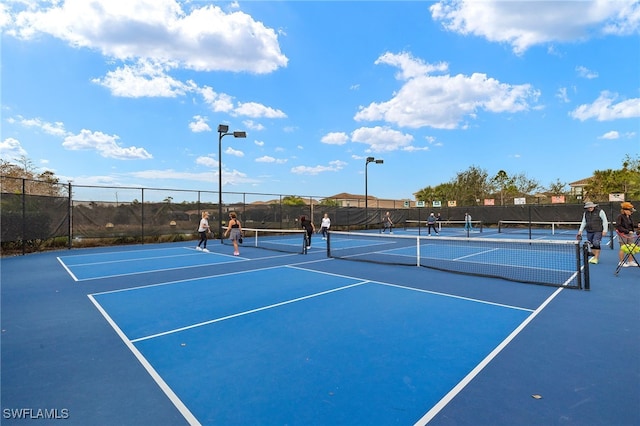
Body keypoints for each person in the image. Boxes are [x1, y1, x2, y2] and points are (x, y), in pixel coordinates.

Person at [615, 202, 640, 268]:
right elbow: (618, 226)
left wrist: (637, 226)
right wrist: (627, 231)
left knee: (631, 247)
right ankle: (621, 262)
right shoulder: (620, 216)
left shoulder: (629, 217)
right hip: (622, 234)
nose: (631, 212)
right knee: (622, 248)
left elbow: (631, 225)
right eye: (630, 211)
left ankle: (630, 261)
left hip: (630, 234)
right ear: (625, 210)